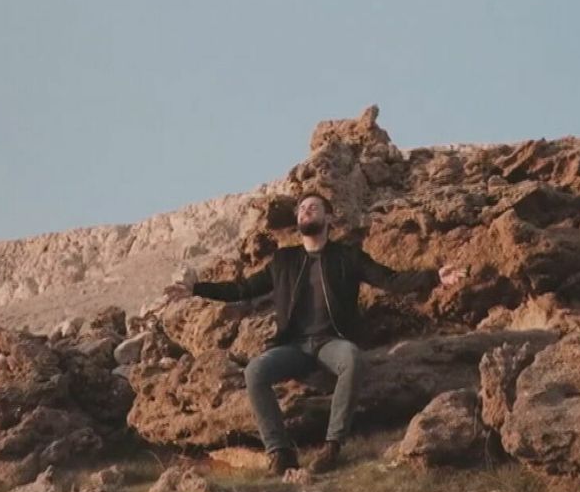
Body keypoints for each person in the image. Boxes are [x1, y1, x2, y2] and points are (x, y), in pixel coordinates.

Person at [166, 192, 464, 475]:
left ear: (328, 218)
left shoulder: (348, 256)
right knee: (255, 371)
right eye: (302, 209)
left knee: (351, 359)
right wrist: (196, 289)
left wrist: (434, 277)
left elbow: (390, 279)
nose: (305, 211)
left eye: (313, 207)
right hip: (294, 346)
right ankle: (279, 451)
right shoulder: (284, 261)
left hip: (332, 342)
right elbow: (242, 289)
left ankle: (332, 446)